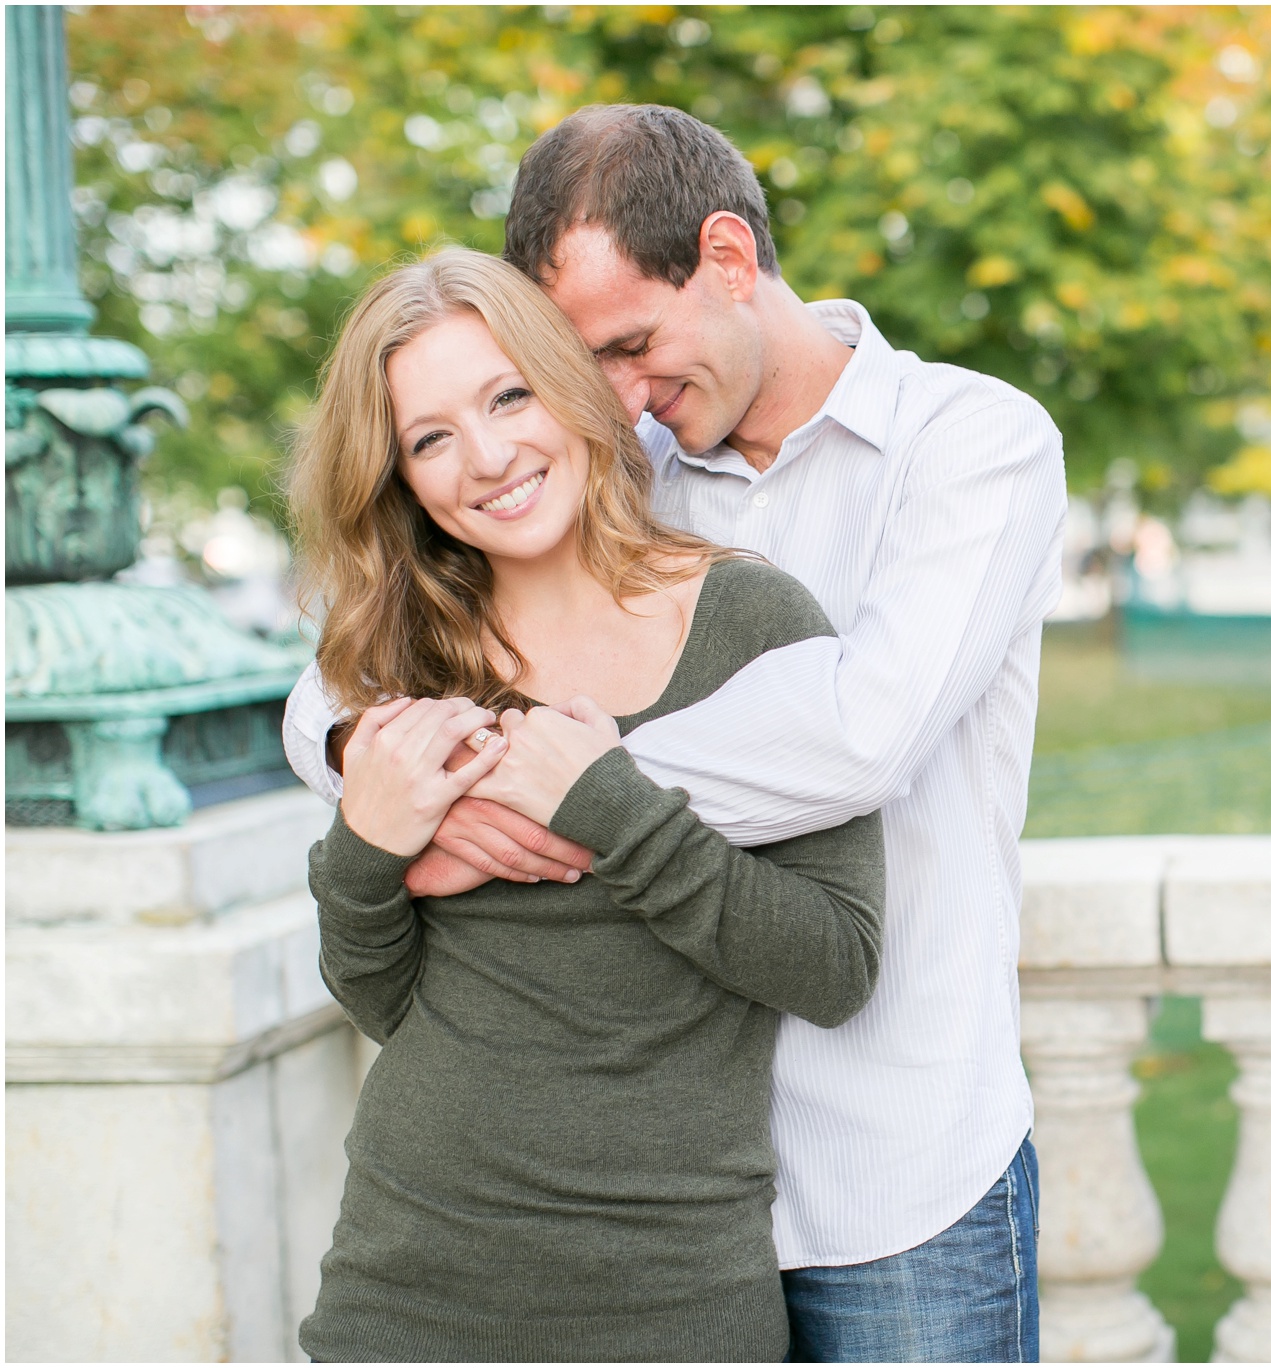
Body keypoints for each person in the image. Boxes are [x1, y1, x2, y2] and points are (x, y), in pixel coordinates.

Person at [284, 103, 1066, 1362]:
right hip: (631, 1204)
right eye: (582, 363)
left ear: (727, 257)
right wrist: (373, 777)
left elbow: (861, 733)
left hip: (889, 1171)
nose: (621, 393)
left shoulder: (968, 445)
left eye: (633, 344)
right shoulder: (608, 462)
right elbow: (344, 676)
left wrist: (543, 778)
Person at [289, 247, 884, 1362]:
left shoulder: (751, 620)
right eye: (430, 437)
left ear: (571, 387)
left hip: (669, 1297)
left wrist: (612, 808)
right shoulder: (403, 653)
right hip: (404, 1291)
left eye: (507, 395)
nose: (487, 456)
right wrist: (365, 852)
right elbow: (379, 995)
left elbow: (835, 966)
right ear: (400, 478)